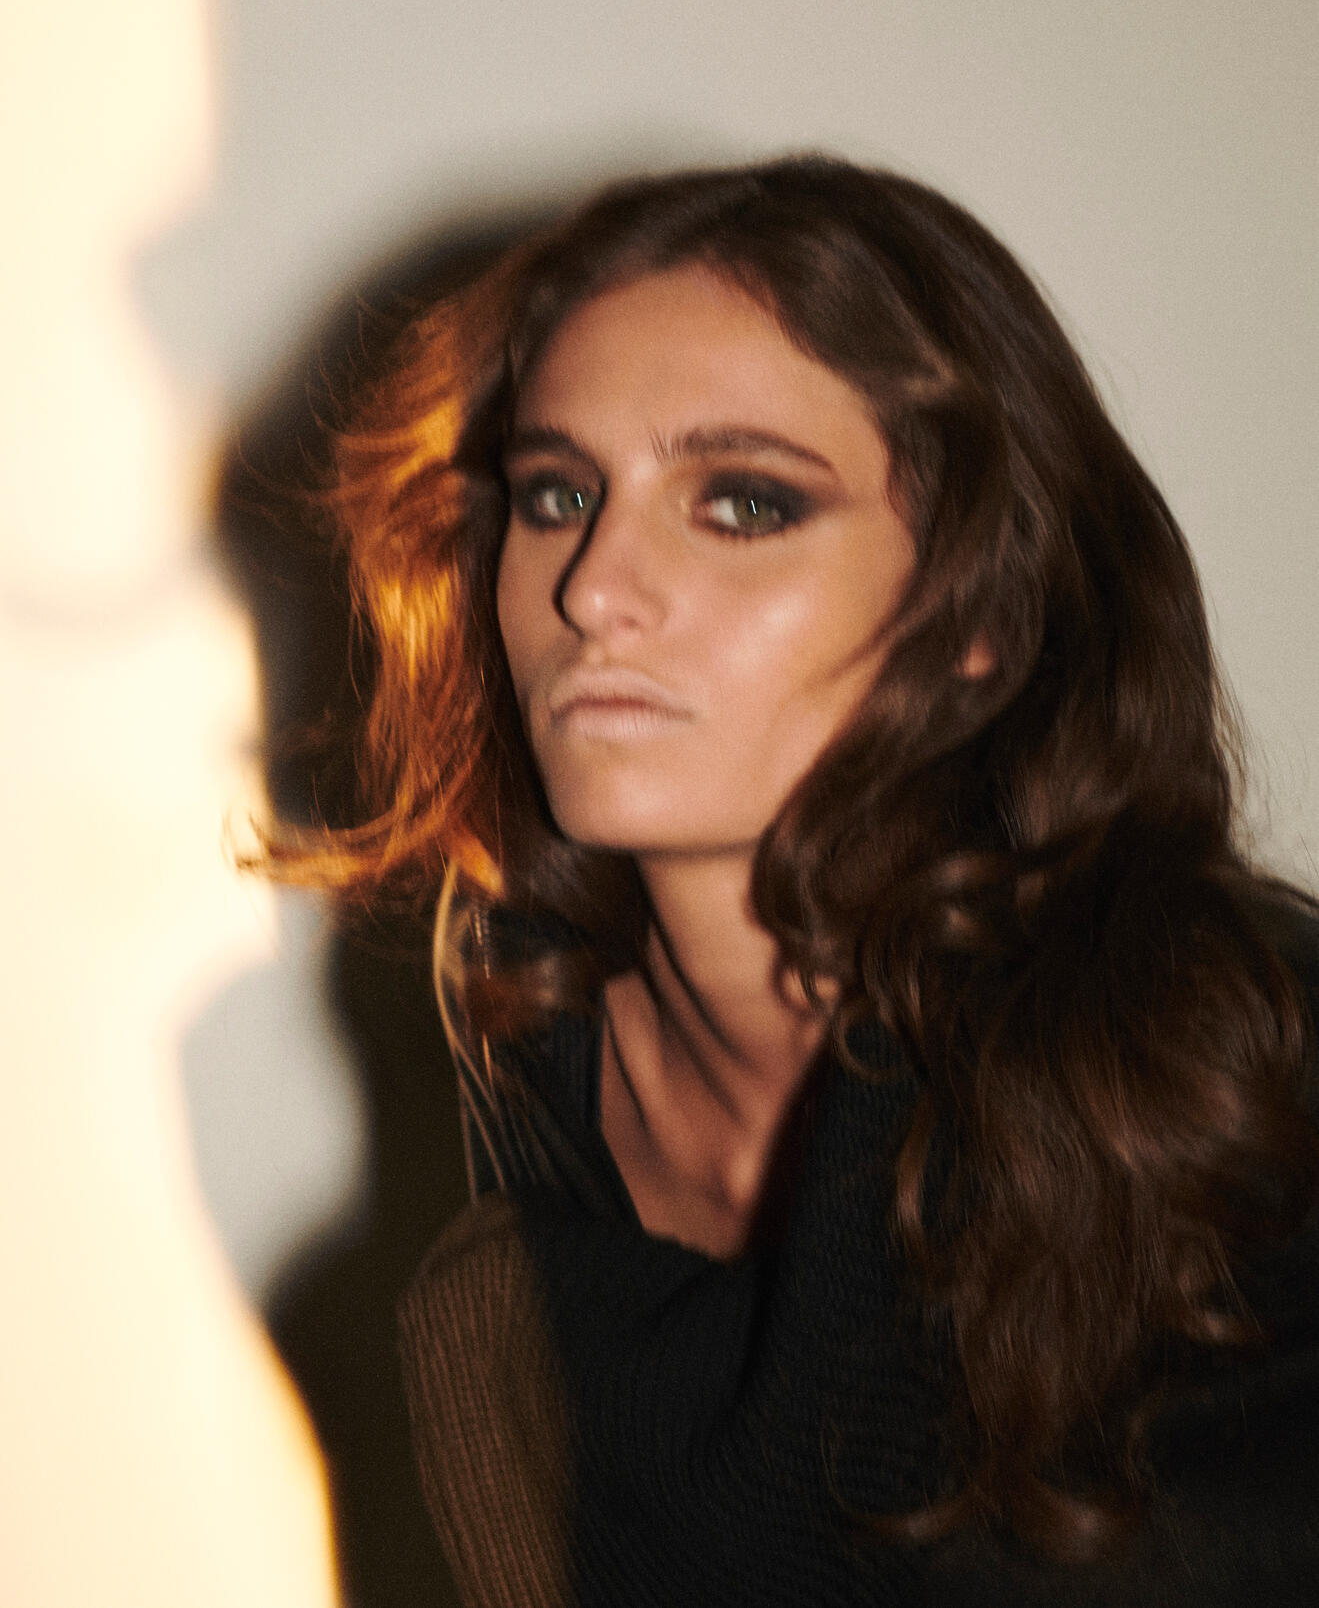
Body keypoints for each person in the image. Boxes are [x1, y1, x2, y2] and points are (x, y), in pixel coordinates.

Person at [270, 157, 1319, 1606]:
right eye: (558, 493)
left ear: (977, 608)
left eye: (746, 505)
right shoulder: (526, 1050)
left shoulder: (1243, 1073)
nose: (592, 589)